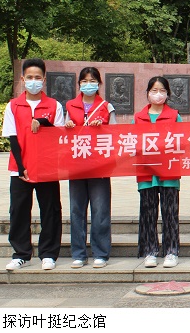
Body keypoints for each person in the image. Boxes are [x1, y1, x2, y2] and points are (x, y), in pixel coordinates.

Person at [2, 59, 65, 271]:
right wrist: (21, 167)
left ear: (44, 79)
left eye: (38, 77)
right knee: (18, 211)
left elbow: (59, 135)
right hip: (20, 168)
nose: (33, 81)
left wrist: (44, 122)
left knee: (50, 210)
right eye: (29, 77)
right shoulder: (13, 106)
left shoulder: (54, 105)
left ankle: (49, 254)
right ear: (22, 79)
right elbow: (12, 138)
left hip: (47, 168)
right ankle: (21, 254)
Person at [65, 67, 116, 269]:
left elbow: (116, 135)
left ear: (99, 84)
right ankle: (79, 253)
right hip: (76, 164)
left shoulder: (106, 107)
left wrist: (102, 128)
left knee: (100, 209)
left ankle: (100, 253)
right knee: (76, 209)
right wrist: (68, 127)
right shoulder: (70, 106)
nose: (88, 84)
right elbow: (61, 134)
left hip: (99, 165)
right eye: (84, 81)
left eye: (92, 81)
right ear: (79, 84)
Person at [134, 76, 182, 269]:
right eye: (154, 90)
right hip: (146, 172)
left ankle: (171, 251)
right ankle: (150, 251)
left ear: (168, 94)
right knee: (148, 213)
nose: (158, 94)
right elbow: (132, 142)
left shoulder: (174, 116)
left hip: (169, 171)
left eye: (162, 90)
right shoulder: (138, 117)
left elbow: (181, 141)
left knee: (170, 213)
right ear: (147, 93)